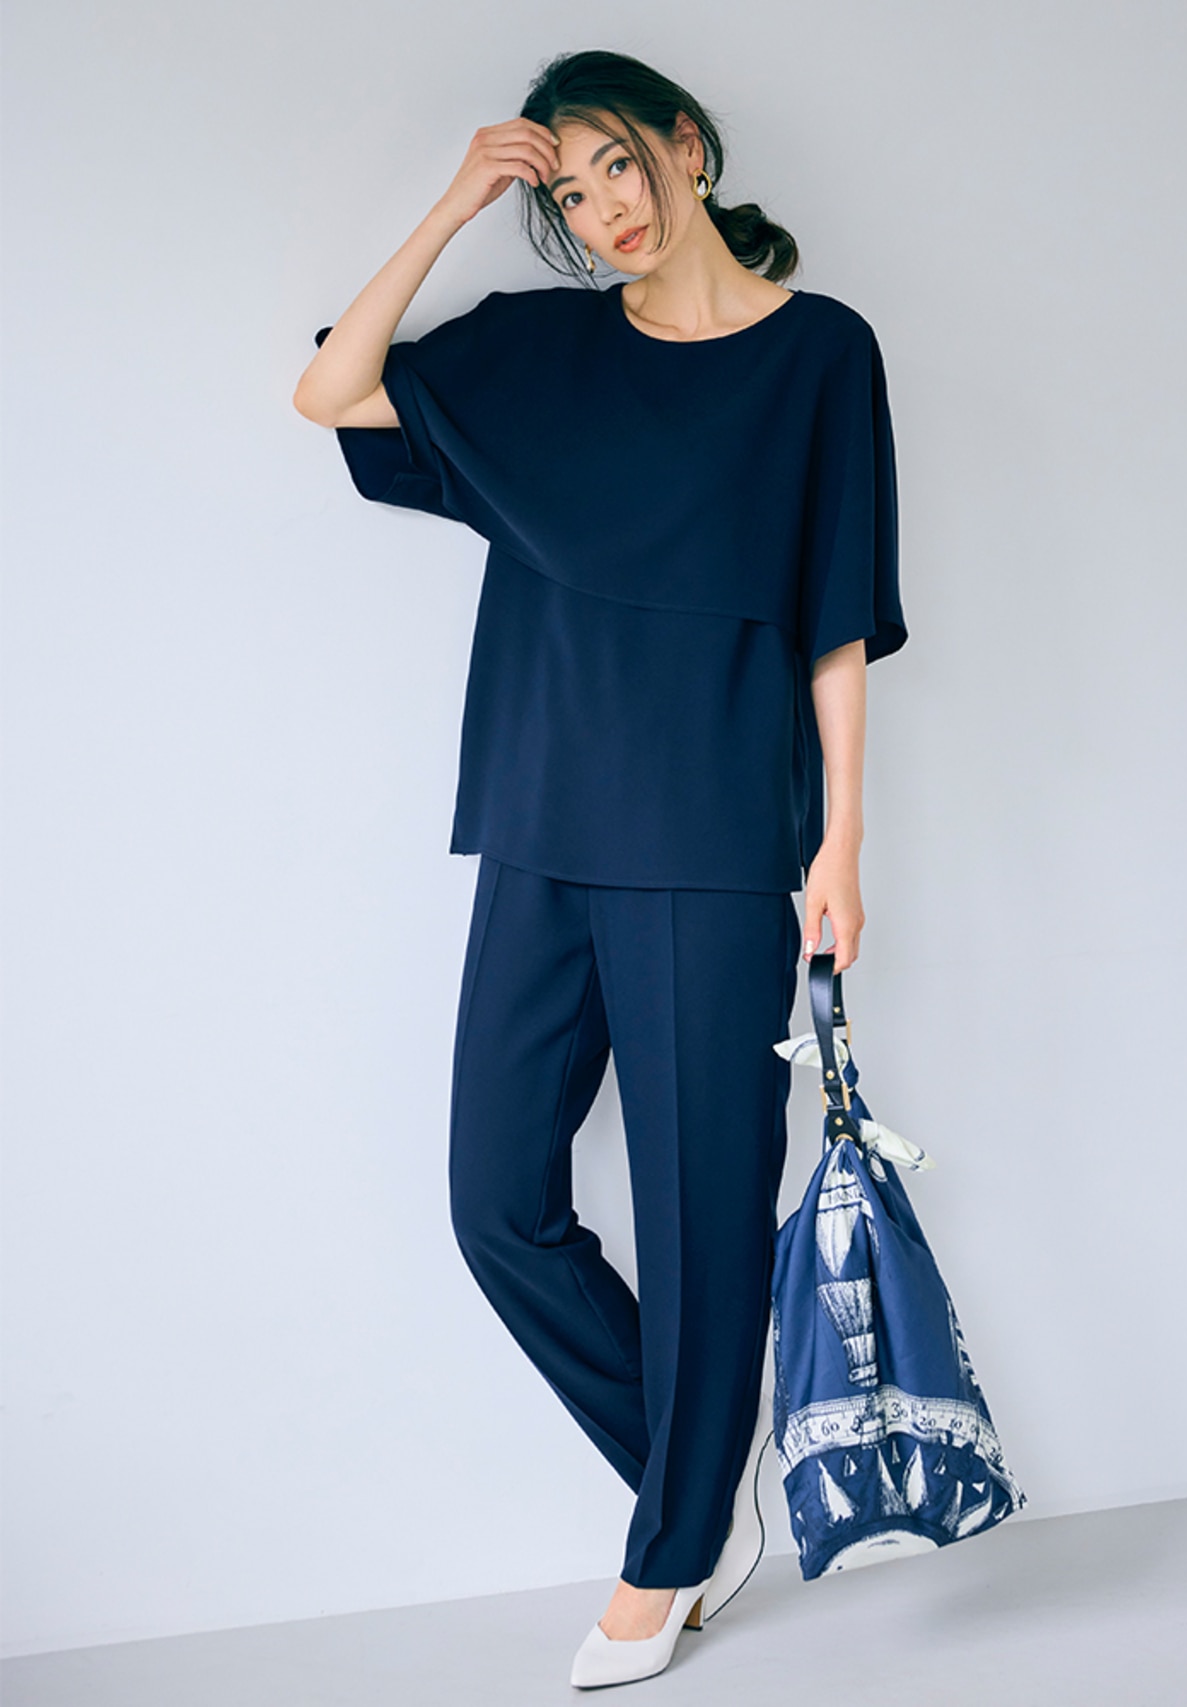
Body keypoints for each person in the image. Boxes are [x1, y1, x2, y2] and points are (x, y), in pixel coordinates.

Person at [293, 47, 906, 1690]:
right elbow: (332, 393)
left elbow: (838, 614)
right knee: (496, 1199)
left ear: (686, 149)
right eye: (567, 193)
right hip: (541, 821)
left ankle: (666, 1553)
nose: (602, 209)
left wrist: (842, 837)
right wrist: (455, 203)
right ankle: (696, 1489)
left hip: (713, 836)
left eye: (617, 165)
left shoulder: (821, 356)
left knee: (704, 1222)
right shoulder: (537, 352)